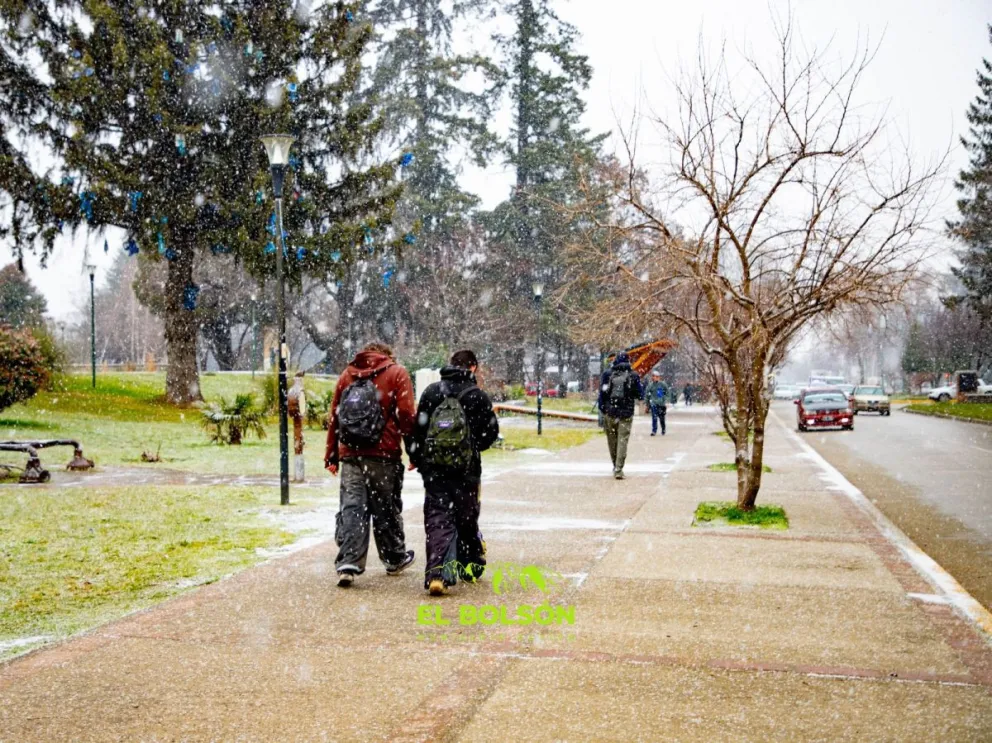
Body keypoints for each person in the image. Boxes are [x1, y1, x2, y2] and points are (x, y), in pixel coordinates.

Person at [325, 342, 417, 587]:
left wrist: (331, 454)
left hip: (351, 452)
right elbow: (406, 414)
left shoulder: (348, 374)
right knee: (385, 507)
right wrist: (413, 451)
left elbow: (335, 415)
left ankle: (348, 562)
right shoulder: (397, 373)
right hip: (383, 452)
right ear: (387, 354)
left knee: (352, 507)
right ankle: (394, 558)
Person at [408, 349, 500, 596]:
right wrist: (471, 448)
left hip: (435, 470)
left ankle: (437, 573)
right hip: (466, 472)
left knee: (438, 518)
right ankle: (469, 565)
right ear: (473, 368)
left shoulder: (432, 392)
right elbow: (490, 433)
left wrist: (417, 458)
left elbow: (418, 429)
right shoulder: (477, 396)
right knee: (466, 517)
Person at [598, 352, 644, 479]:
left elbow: (602, 395)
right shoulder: (633, 375)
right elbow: (640, 395)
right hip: (626, 414)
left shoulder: (607, 374)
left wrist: (604, 409)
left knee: (612, 441)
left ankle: (615, 464)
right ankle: (619, 469)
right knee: (622, 441)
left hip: (610, 412)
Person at [643, 371, 668, 436]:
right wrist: (647, 404)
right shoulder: (650, 385)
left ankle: (663, 429)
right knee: (654, 417)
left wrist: (665, 400)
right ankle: (654, 430)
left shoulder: (663, 384)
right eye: (654, 376)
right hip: (653, 403)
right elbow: (647, 395)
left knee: (661, 418)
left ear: (659, 377)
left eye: (657, 377)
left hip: (661, 404)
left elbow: (667, 392)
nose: (655, 378)